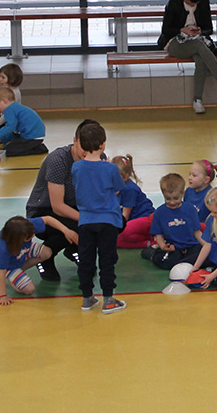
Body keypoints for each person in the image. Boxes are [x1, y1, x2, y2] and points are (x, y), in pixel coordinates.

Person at [24, 120, 94, 282]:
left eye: (93, 148)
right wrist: (89, 218)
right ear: (75, 141)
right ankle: (45, 256)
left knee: (116, 221)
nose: (88, 152)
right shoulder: (59, 160)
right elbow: (57, 206)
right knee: (84, 225)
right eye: (84, 146)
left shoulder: (96, 158)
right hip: (43, 211)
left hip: (74, 206)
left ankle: (73, 249)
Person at [156, 0, 217, 114]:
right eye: (190, 2)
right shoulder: (174, 4)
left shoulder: (204, 3)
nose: (193, 5)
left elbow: (209, 29)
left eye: (195, 3)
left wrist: (200, 31)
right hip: (175, 43)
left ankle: (197, 100)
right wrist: (182, 30)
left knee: (200, 60)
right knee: (199, 46)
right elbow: (166, 30)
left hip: (197, 40)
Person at [73, 122, 127, 314]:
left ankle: (87, 297)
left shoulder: (76, 167)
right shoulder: (110, 169)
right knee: (107, 260)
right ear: (103, 144)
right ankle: (109, 299)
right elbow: (119, 188)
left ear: (81, 145)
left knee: (86, 260)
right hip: (108, 221)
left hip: (86, 221)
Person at [0, 215, 78, 306]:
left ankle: (18, 271)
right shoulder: (3, 248)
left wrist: (66, 231)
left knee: (47, 252)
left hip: (24, 249)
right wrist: (3, 296)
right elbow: (1, 272)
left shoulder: (26, 227)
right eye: (29, 237)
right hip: (9, 265)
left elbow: (48, 219)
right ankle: (10, 275)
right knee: (29, 289)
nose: (33, 235)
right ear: (20, 238)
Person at [142, 173, 205, 270]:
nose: (172, 202)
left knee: (203, 256)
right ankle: (152, 254)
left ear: (183, 194)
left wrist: (207, 246)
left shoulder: (190, 209)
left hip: (191, 246)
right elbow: (158, 235)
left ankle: (183, 262)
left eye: (176, 198)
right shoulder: (159, 213)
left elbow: (197, 232)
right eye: (168, 198)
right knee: (167, 262)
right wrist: (163, 246)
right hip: (173, 248)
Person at [0, 87, 48, 157]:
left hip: (32, 137)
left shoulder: (9, 110)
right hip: (34, 135)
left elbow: (10, 127)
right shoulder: (15, 107)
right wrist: (2, 139)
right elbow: (14, 132)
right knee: (9, 147)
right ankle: (34, 146)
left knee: (8, 151)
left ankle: (38, 149)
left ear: (4, 100)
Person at [113, 155, 156, 248]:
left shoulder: (129, 189)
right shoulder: (115, 187)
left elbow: (125, 217)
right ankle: (147, 240)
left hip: (146, 218)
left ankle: (152, 241)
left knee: (123, 232)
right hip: (133, 222)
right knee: (112, 240)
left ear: (126, 176)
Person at [0, 63, 24, 129]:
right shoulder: (7, 90)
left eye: (3, 77)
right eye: (0, 77)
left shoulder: (13, 93)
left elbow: (9, 113)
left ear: (12, 79)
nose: (0, 79)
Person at [185, 159, 217, 224]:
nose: (189, 178)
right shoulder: (188, 191)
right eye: (190, 174)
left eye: (194, 175)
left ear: (206, 179)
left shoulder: (211, 196)